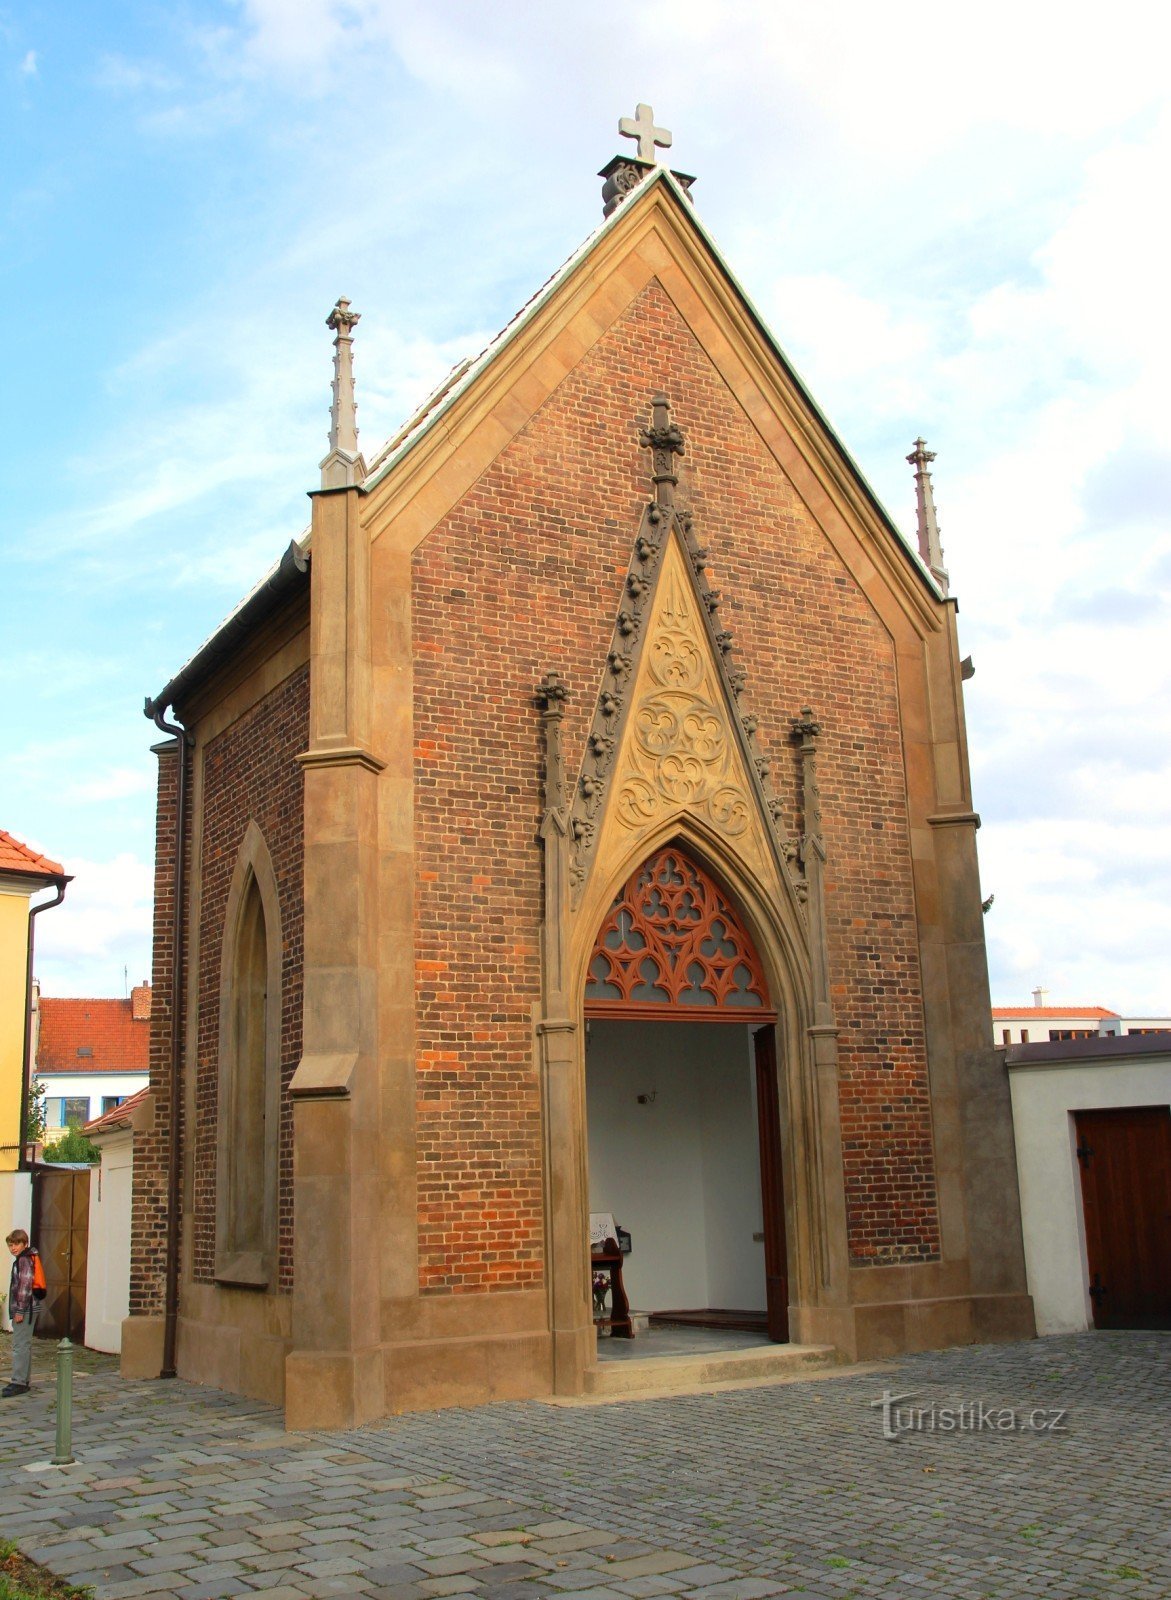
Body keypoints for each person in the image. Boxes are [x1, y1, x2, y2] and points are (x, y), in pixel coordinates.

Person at [5, 1229, 45, 1398]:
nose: (13, 1248)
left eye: (16, 1244)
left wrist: (19, 1310)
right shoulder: (27, 1258)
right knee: (25, 1344)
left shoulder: (24, 1260)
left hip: (25, 1309)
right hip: (30, 1308)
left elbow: (24, 1286)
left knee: (19, 1345)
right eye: (10, 1245)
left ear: (24, 1244)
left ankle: (18, 1382)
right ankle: (23, 1381)